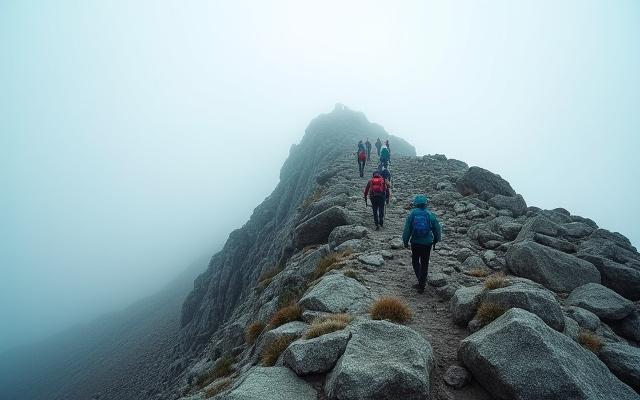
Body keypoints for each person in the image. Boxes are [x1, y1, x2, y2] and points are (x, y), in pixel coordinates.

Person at [402, 195, 442, 293]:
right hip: (427, 243)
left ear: (415, 204)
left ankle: (420, 281)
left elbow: (407, 230)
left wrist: (405, 241)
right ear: (425, 203)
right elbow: (437, 229)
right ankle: (422, 284)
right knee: (425, 264)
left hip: (415, 243)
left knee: (415, 262)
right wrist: (436, 240)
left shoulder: (412, 214)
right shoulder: (430, 214)